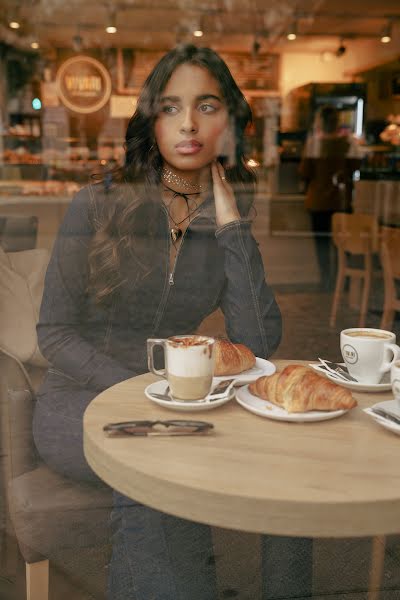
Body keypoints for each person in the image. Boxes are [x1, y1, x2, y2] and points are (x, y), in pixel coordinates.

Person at [33, 44, 310, 599]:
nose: (188, 123)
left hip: (182, 396)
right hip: (80, 400)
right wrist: (135, 389)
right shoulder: (100, 201)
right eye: (170, 107)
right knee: (159, 468)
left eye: (207, 106)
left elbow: (257, 341)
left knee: (292, 463)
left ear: (229, 121)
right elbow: (54, 334)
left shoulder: (225, 214)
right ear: (150, 121)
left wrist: (231, 224)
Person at [299, 105, 362, 291]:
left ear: (320, 122)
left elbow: (304, 171)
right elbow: (355, 167)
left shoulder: (313, 144)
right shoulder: (349, 143)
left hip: (318, 202)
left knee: (323, 244)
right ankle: (344, 280)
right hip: (341, 201)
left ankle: (326, 280)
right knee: (343, 244)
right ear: (337, 122)